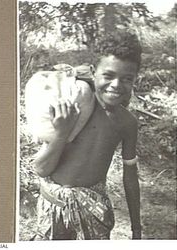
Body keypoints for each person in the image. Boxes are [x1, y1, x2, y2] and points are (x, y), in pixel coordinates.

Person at [32, 31, 142, 240]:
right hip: (52, 207)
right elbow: (41, 168)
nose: (116, 85)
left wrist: (136, 228)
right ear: (93, 72)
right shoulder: (73, 107)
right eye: (108, 76)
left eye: (127, 78)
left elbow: (130, 176)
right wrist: (62, 132)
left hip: (93, 211)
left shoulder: (127, 123)